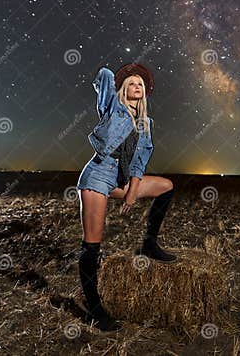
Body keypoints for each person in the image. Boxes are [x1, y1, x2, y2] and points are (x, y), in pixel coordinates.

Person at [76, 62, 177, 332]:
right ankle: (96, 310)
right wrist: (117, 74)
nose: (136, 86)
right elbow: (104, 76)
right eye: (131, 83)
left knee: (167, 186)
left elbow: (139, 162)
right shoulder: (112, 108)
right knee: (92, 246)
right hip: (98, 174)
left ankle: (149, 244)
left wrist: (132, 192)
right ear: (122, 89)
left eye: (140, 84)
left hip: (120, 179)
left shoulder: (145, 124)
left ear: (145, 93)